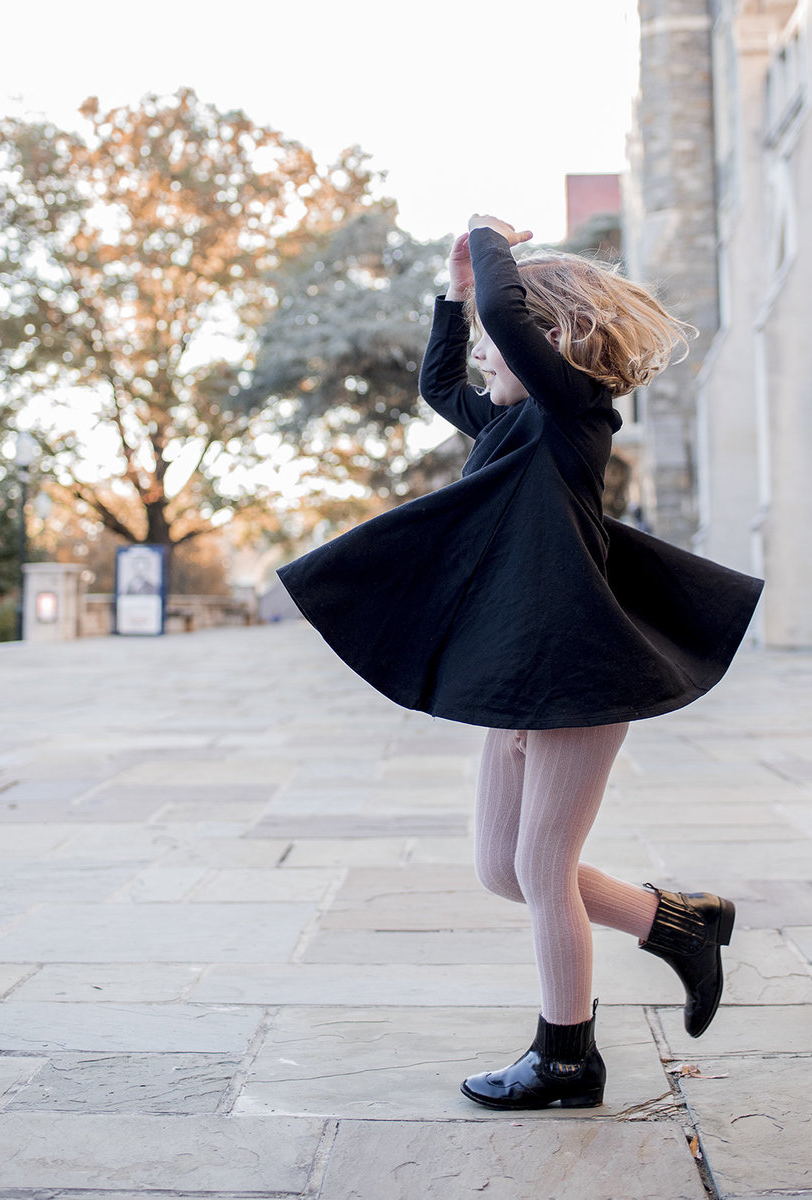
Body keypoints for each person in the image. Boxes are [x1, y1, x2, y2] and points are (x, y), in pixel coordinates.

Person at [278, 215, 763, 1110]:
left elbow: (509, 313)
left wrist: (483, 237)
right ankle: (681, 923)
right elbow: (436, 382)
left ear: (546, 342)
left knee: (542, 872)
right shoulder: (505, 427)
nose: (488, 364)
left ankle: (567, 1059)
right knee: (501, 870)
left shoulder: (572, 415)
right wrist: (455, 292)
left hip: (581, 670)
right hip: (522, 675)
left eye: (503, 349)